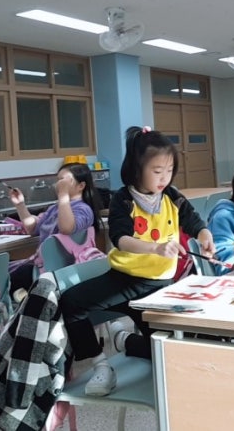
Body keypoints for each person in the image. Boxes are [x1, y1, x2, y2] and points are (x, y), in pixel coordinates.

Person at [60, 126, 215, 397]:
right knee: (70, 303)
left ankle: (126, 341)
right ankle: (100, 365)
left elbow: (194, 221)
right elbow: (121, 239)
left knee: (168, 351)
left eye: (169, 170)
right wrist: (155, 248)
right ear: (137, 168)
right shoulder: (123, 199)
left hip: (159, 286)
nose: (164, 177)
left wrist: (205, 236)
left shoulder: (171, 196)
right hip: (124, 281)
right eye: (157, 171)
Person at [6, 162, 101, 294]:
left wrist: (63, 195)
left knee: (3, 277)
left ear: (81, 186)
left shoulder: (83, 209)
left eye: (63, 180)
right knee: (4, 266)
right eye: (58, 180)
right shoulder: (55, 208)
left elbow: (66, 228)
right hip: (44, 265)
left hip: (60, 270)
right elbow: (33, 229)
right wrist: (20, 205)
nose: (58, 184)